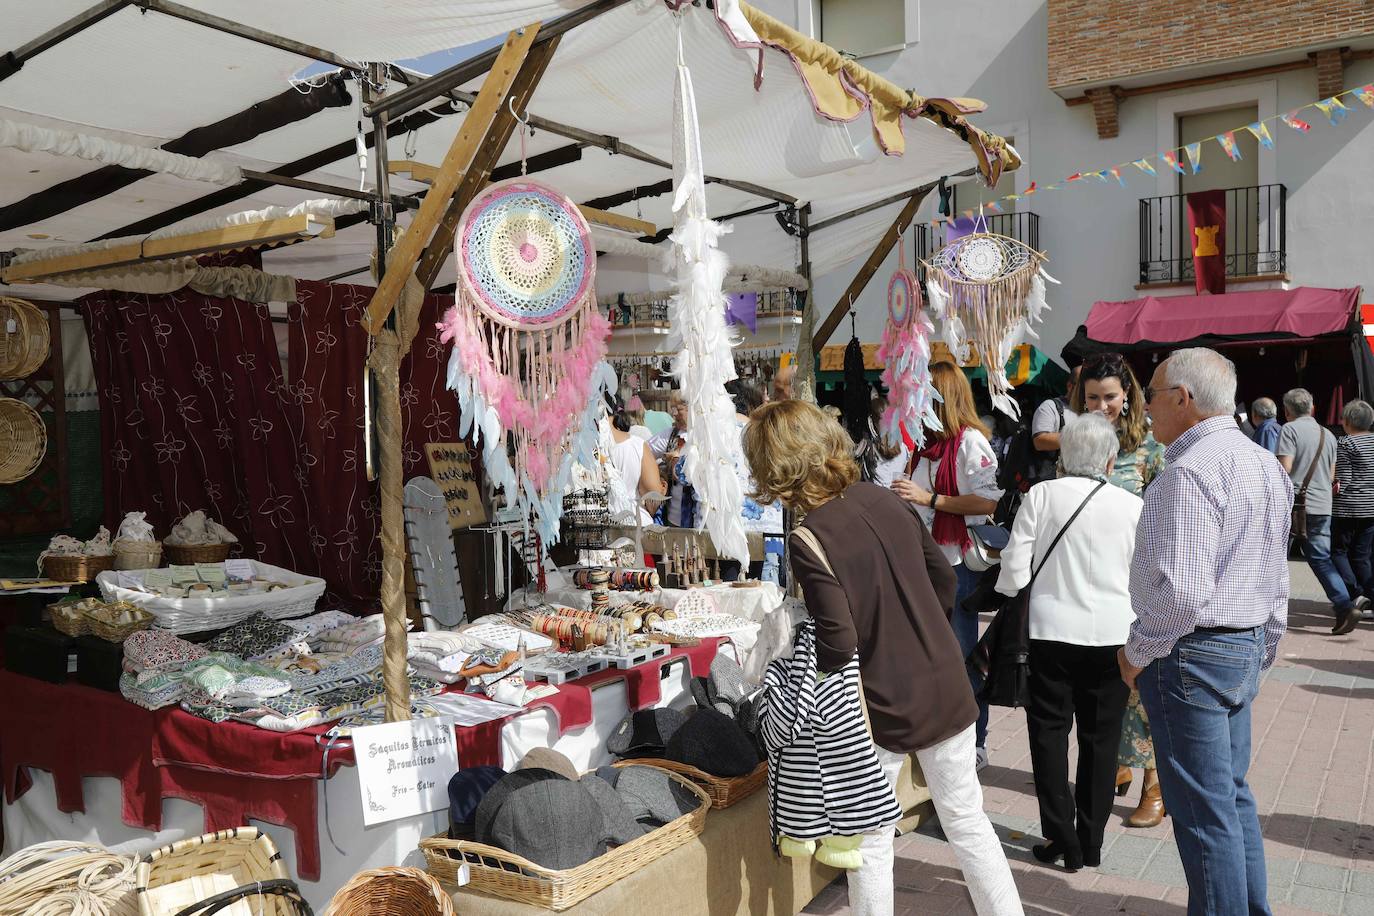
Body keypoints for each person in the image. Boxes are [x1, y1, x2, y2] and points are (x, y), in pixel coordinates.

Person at [743, 399, 1023, 916]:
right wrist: (913, 630)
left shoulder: (809, 538)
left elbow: (838, 642)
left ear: (774, 470)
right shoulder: (881, 496)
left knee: (871, 842)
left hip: (877, 705)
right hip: (943, 679)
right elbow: (941, 580)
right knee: (967, 821)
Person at [1119, 347, 1289, 916]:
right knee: (1231, 800)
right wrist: (1264, 643)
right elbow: (1275, 571)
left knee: (1203, 813)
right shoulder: (1261, 461)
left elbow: (1184, 593)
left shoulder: (1188, 471)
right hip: (1237, 642)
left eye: (1152, 394)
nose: (1146, 408)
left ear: (1183, 400)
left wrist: (1137, 651)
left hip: (1191, 652)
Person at [996, 413, 1139, 873]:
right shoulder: (1132, 506)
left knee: (1049, 734)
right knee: (1102, 740)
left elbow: (1015, 572)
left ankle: (1061, 838)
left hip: (1051, 633)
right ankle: (1092, 840)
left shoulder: (1042, 495)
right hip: (1114, 636)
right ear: (1112, 459)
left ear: (1063, 454)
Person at [1068, 352, 1166, 827]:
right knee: (1102, 684)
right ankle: (1116, 765)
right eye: (1092, 397)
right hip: (1090, 581)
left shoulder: (1148, 447)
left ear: (1126, 396)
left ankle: (1154, 785)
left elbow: (1167, 518)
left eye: (1109, 397)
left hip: (1136, 581)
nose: (1101, 406)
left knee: (1139, 685)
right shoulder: (1075, 443)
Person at [892, 361, 1003, 771]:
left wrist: (930, 500)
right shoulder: (924, 445)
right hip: (923, 562)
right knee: (930, 655)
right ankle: (940, 735)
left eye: (924, 396)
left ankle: (975, 740)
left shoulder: (971, 442)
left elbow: (990, 501)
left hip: (959, 566)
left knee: (961, 654)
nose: (916, 403)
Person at [1277, 388, 1351, 633]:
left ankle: (1266, 608)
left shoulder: (1289, 429)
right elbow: (1330, 475)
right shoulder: (1327, 434)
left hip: (1295, 505)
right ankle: (1343, 604)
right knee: (1321, 559)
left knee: (1275, 557)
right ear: (1312, 408)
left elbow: (1284, 469)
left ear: (1287, 411)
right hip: (1322, 504)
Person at [1332, 399, 1374, 625]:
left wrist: (1331, 486)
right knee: (1362, 555)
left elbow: (1344, 480)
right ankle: (1370, 596)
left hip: (1348, 508)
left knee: (1337, 552)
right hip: (1371, 507)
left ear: (1347, 421)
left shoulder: (1346, 443)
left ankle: (1357, 593)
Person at [604, 398, 665, 525]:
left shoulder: (577, 447)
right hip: (635, 524)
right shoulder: (637, 445)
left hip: (593, 528)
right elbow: (652, 496)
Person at [1029, 365, 1081, 483]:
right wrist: (1082, 437)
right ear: (1070, 386)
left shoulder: (1094, 410)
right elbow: (1039, 441)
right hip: (1054, 481)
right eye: (1083, 386)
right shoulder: (1051, 407)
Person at [855, 395, 910, 487]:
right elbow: (906, 474)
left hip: (875, 498)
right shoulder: (903, 448)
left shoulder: (867, 449)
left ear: (870, 422)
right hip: (896, 498)